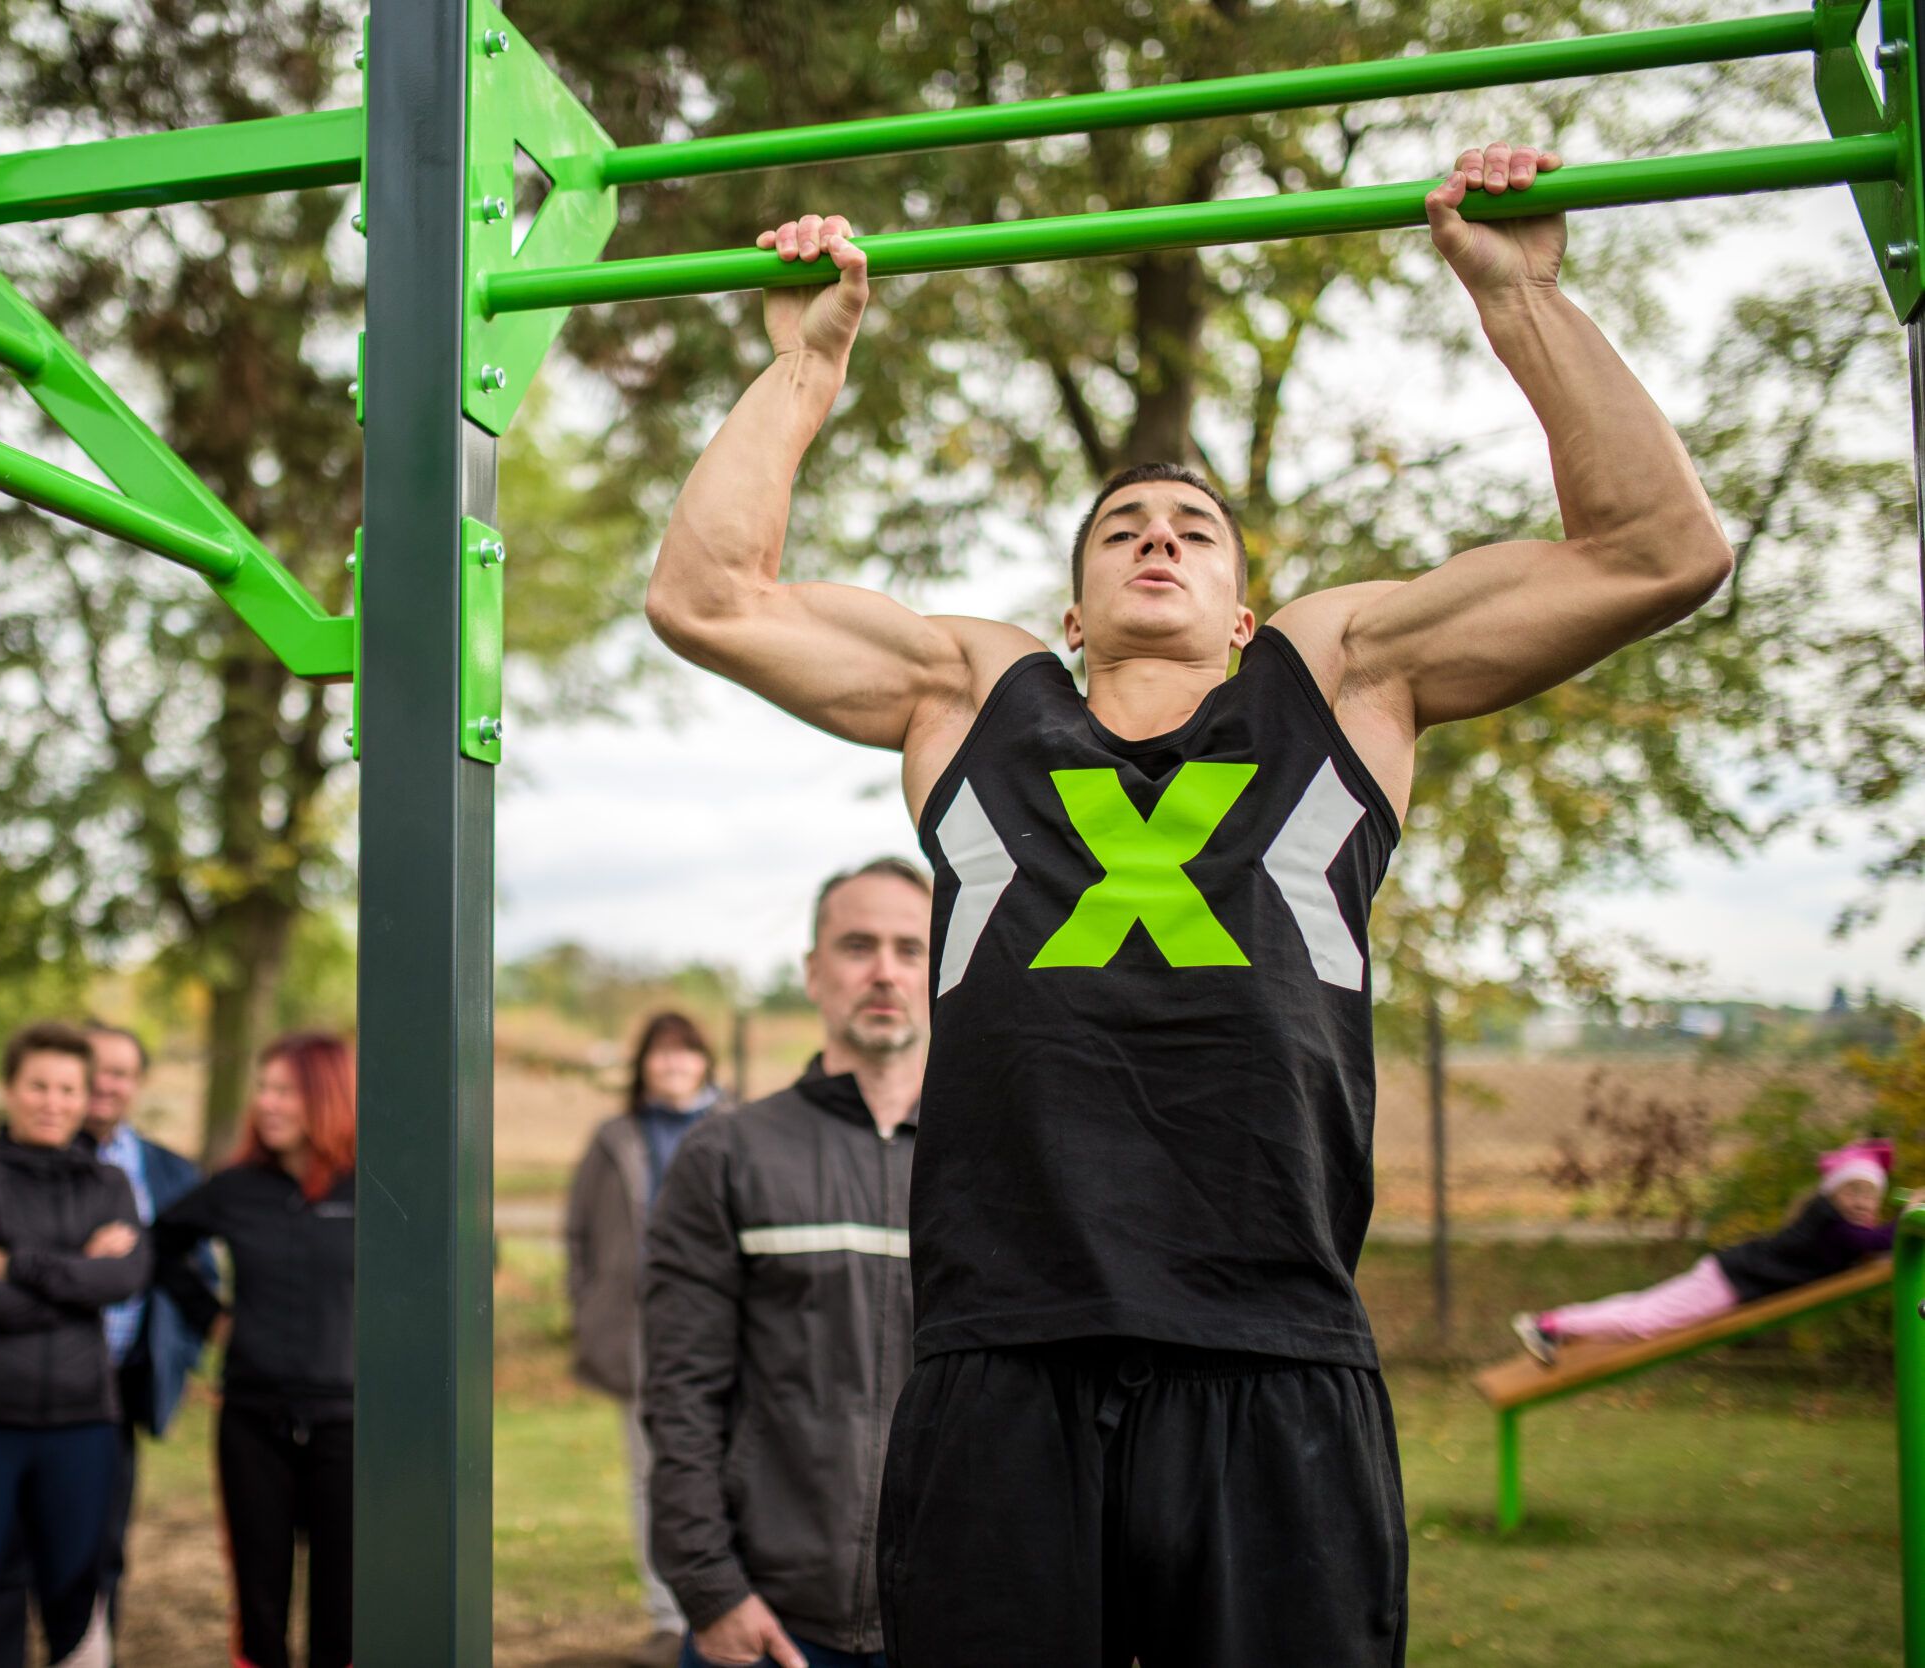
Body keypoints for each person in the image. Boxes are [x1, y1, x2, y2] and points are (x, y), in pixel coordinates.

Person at [642, 141, 1737, 1666]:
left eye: (1195, 527)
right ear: (1077, 612)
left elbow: (1659, 551)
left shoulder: (1339, 680)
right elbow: (711, 597)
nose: (1158, 531)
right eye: (1121, 527)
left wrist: (1526, 298)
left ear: (1240, 609)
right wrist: (806, 367)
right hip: (1002, 1361)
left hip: (1271, 1353)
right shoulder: (974, 697)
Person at [642, 861, 929, 1668]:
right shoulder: (728, 1155)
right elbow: (680, 1391)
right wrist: (711, 1590)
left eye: (911, 949)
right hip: (772, 1624)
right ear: (813, 971)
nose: (884, 971)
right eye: (857, 946)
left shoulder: (1000, 1157)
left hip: (957, 1613)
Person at [0, 1021, 149, 1668]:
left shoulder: (109, 1186)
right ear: (9, 1090)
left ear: (85, 1096)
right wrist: (76, 1275)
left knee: (74, 1603)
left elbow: (123, 1279)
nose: (53, 1102)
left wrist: (16, 1265)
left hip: (82, 1428)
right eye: (38, 1085)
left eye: (68, 1089)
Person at [0, 1020, 215, 1668]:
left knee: (96, 1554)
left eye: (122, 1074)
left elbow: (193, 1283)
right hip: (11, 1389)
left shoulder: (169, 1174)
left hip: (113, 1396)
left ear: (138, 1085)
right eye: (96, 1070)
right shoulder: (5, 1167)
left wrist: (171, 1364)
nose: (107, 1085)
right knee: (2, 1555)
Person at [152, 1032, 358, 1668]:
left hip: (349, 1423)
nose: (266, 1103)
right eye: (263, 1088)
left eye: (284, 1090)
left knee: (343, 1601)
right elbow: (162, 1244)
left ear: (327, 1097)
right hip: (252, 1418)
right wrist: (212, 1318)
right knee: (259, 1599)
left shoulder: (373, 1189)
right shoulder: (237, 1187)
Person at [567, 1011, 733, 1668]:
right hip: (636, 1331)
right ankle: (668, 1617)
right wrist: (588, 1305)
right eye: (660, 1055)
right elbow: (578, 1232)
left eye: (685, 1053)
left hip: (724, 1324)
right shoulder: (613, 1138)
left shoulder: (739, 1127)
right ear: (642, 1066)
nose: (672, 1065)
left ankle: (727, 1605)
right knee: (647, 1474)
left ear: (705, 1062)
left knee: (728, 1466)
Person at [1513, 1139, 1896, 1364]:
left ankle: (1556, 1324)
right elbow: (1876, 1242)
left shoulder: (1835, 1226)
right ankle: (1547, 1326)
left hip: (1726, 1274)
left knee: (1641, 1308)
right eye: (1854, 1192)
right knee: (1643, 1322)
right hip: (1728, 1282)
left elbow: (1873, 1249)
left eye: (1871, 1196)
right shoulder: (1831, 1220)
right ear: (1833, 1193)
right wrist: (1912, 1216)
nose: (1863, 1203)